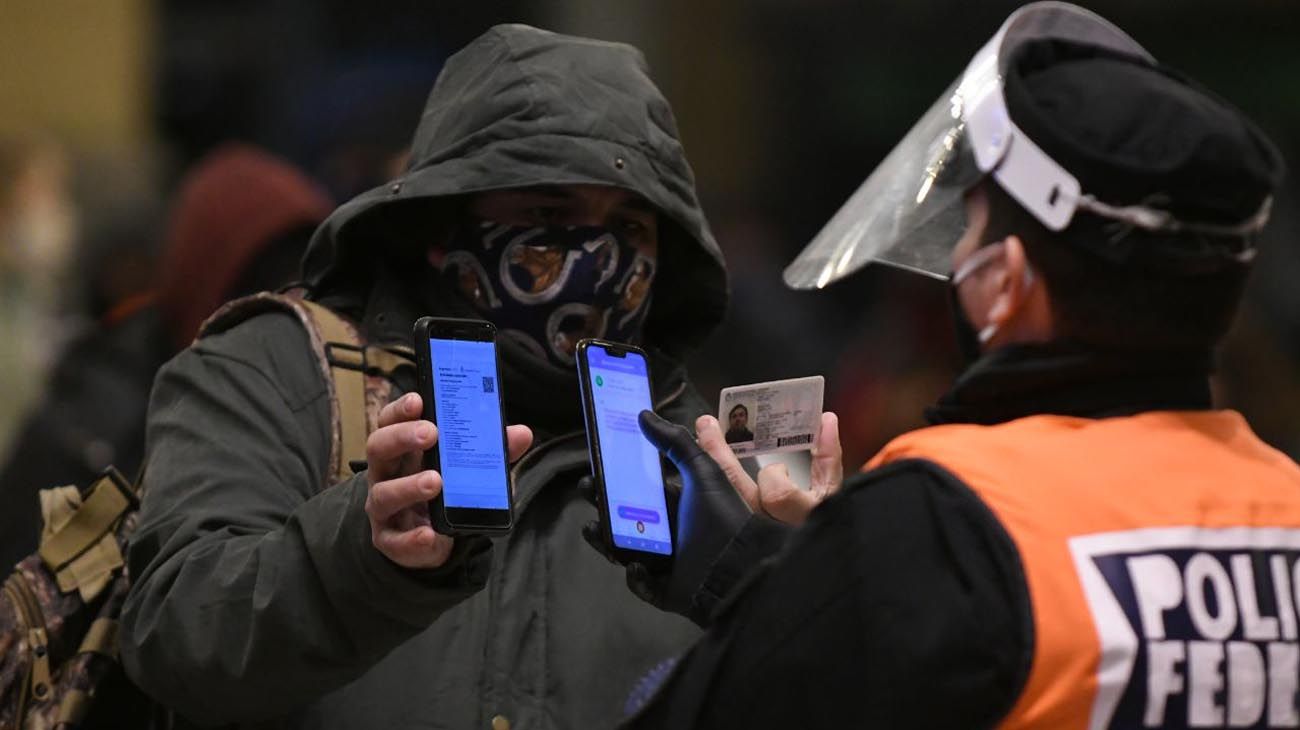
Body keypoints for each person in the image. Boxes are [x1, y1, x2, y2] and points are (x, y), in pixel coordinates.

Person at [599, 4, 1298, 728]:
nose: (956, 258)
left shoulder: (939, 526)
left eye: (971, 226)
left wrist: (782, 583)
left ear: (1006, 280)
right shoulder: (1285, 507)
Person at [119, 25, 727, 729]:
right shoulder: (279, 371)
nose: (596, 257)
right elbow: (175, 640)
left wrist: (800, 578)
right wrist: (365, 559)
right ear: (443, 227)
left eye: (629, 226)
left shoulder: (695, 453)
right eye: (547, 213)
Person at [0, 144, 329, 570]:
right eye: (271, 287)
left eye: (311, 287)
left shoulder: (331, 405)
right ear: (210, 286)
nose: (297, 316)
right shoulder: (92, 433)